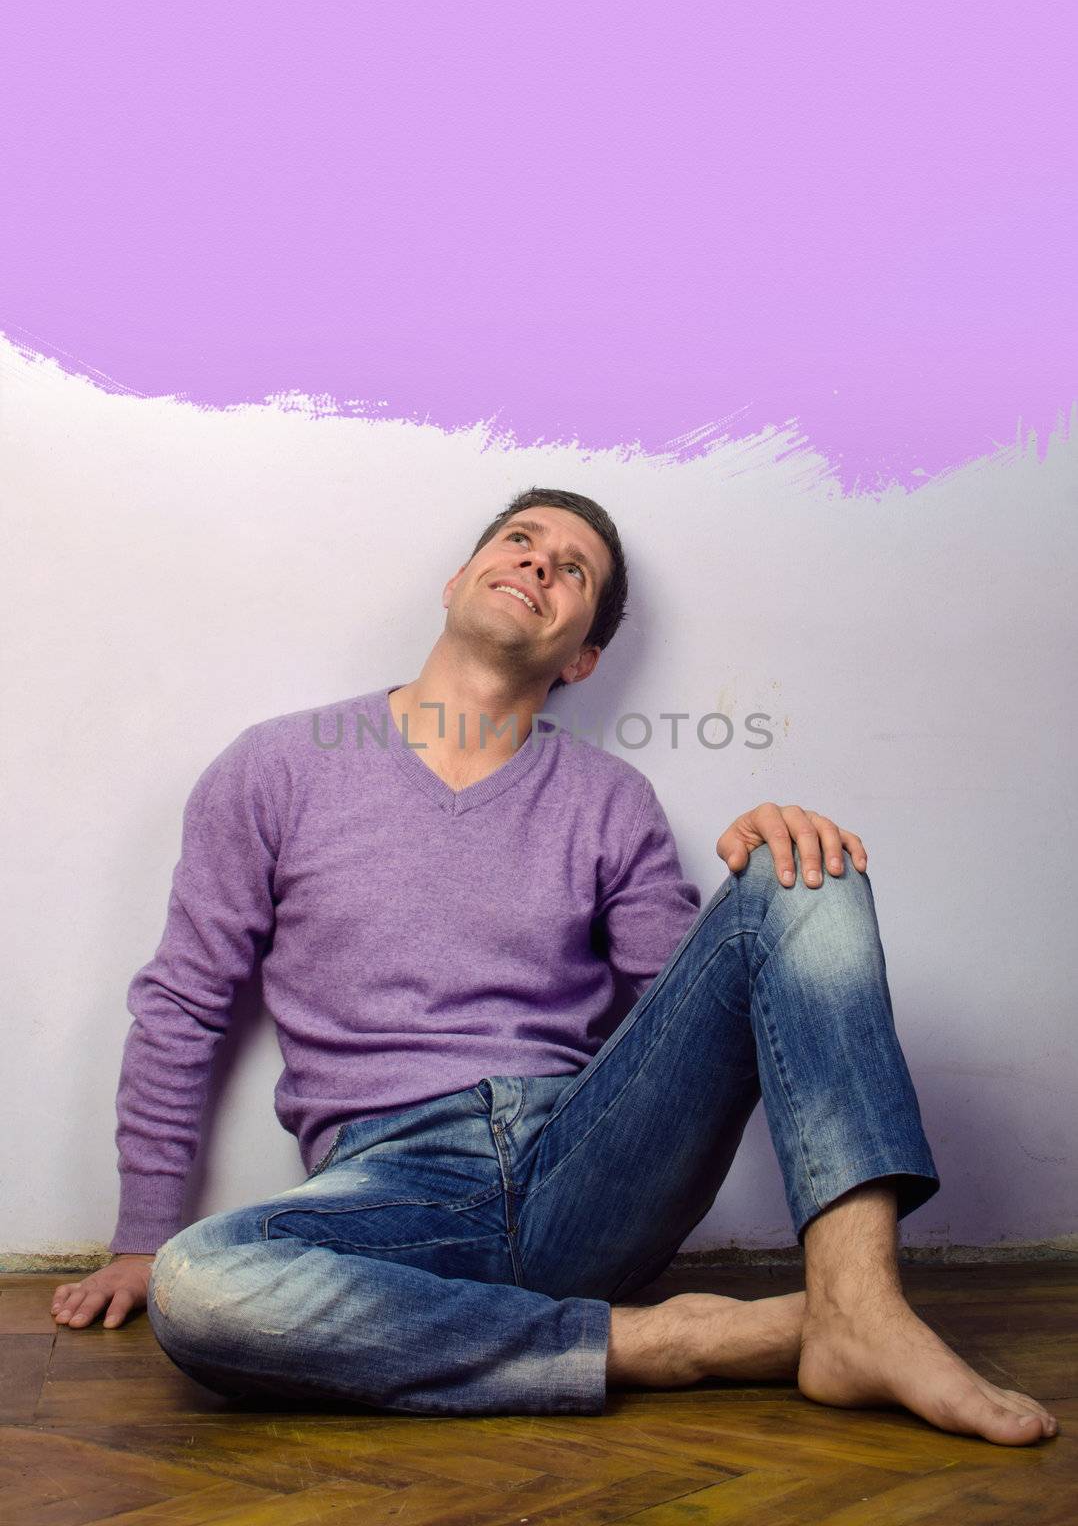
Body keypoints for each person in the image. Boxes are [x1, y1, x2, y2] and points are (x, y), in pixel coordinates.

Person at [52, 485, 1057, 1446]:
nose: (541, 560)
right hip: (389, 1188)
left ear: (582, 656)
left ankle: (859, 1308)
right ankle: (676, 1341)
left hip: (582, 1158)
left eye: (573, 569)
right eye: (521, 540)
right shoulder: (275, 767)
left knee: (802, 867)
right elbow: (186, 1001)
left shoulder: (612, 800)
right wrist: (143, 1235)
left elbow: (693, 1013)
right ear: (457, 580)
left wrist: (761, 872)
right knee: (199, 1286)